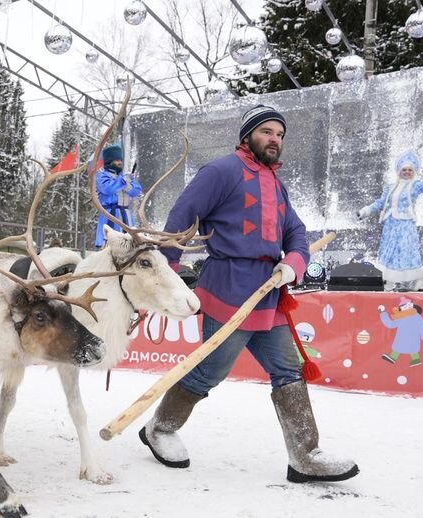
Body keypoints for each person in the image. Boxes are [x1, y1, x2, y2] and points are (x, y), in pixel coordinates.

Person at [139, 104, 358, 483]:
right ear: (248, 136)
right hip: (228, 285)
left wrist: (292, 262)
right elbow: (182, 215)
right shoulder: (221, 171)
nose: (274, 139)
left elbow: (296, 233)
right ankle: (159, 428)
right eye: (267, 132)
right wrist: (167, 275)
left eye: (280, 134)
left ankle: (305, 456)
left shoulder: (277, 184)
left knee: (288, 368)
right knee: (210, 370)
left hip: (268, 292)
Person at [357, 151, 423, 291]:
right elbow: (381, 203)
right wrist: (366, 211)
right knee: (389, 251)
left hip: (406, 223)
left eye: (410, 170)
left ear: (414, 171)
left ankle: (418, 278)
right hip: (391, 224)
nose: (407, 172)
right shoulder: (390, 187)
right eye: (404, 170)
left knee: (407, 250)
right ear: (399, 170)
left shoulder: (415, 185)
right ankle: (388, 279)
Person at [93, 143, 142, 248]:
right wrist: (123, 182)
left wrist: (127, 183)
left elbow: (136, 190)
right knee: (110, 246)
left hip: (127, 216)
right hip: (110, 215)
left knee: (130, 246)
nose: (120, 162)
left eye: (120, 160)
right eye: (117, 160)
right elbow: (108, 189)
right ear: (109, 161)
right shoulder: (101, 176)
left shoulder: (125, 177)